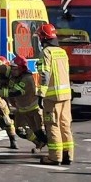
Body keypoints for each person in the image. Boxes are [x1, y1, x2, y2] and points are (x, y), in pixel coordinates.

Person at [36, 23, 73, 165]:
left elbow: (44, 74)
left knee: (52, 125)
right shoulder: (61, 51)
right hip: (66, 95)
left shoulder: (46, 52)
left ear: (43, 38)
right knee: (65, 125)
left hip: (53, 96)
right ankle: (68, 155)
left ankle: (54, 157)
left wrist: (41, 94)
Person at [2, 55, 46, 153]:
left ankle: (51, 148)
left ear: (21, 68)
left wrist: (0, 92)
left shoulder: (27, 79)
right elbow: (3, 68)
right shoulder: (14, 74)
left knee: (39, 130)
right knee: (20, 130)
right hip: (21, 109)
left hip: (33, 109)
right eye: (11, 68)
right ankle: (38, 143)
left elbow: (15, 92)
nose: (12, 70)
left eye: (15, 68)